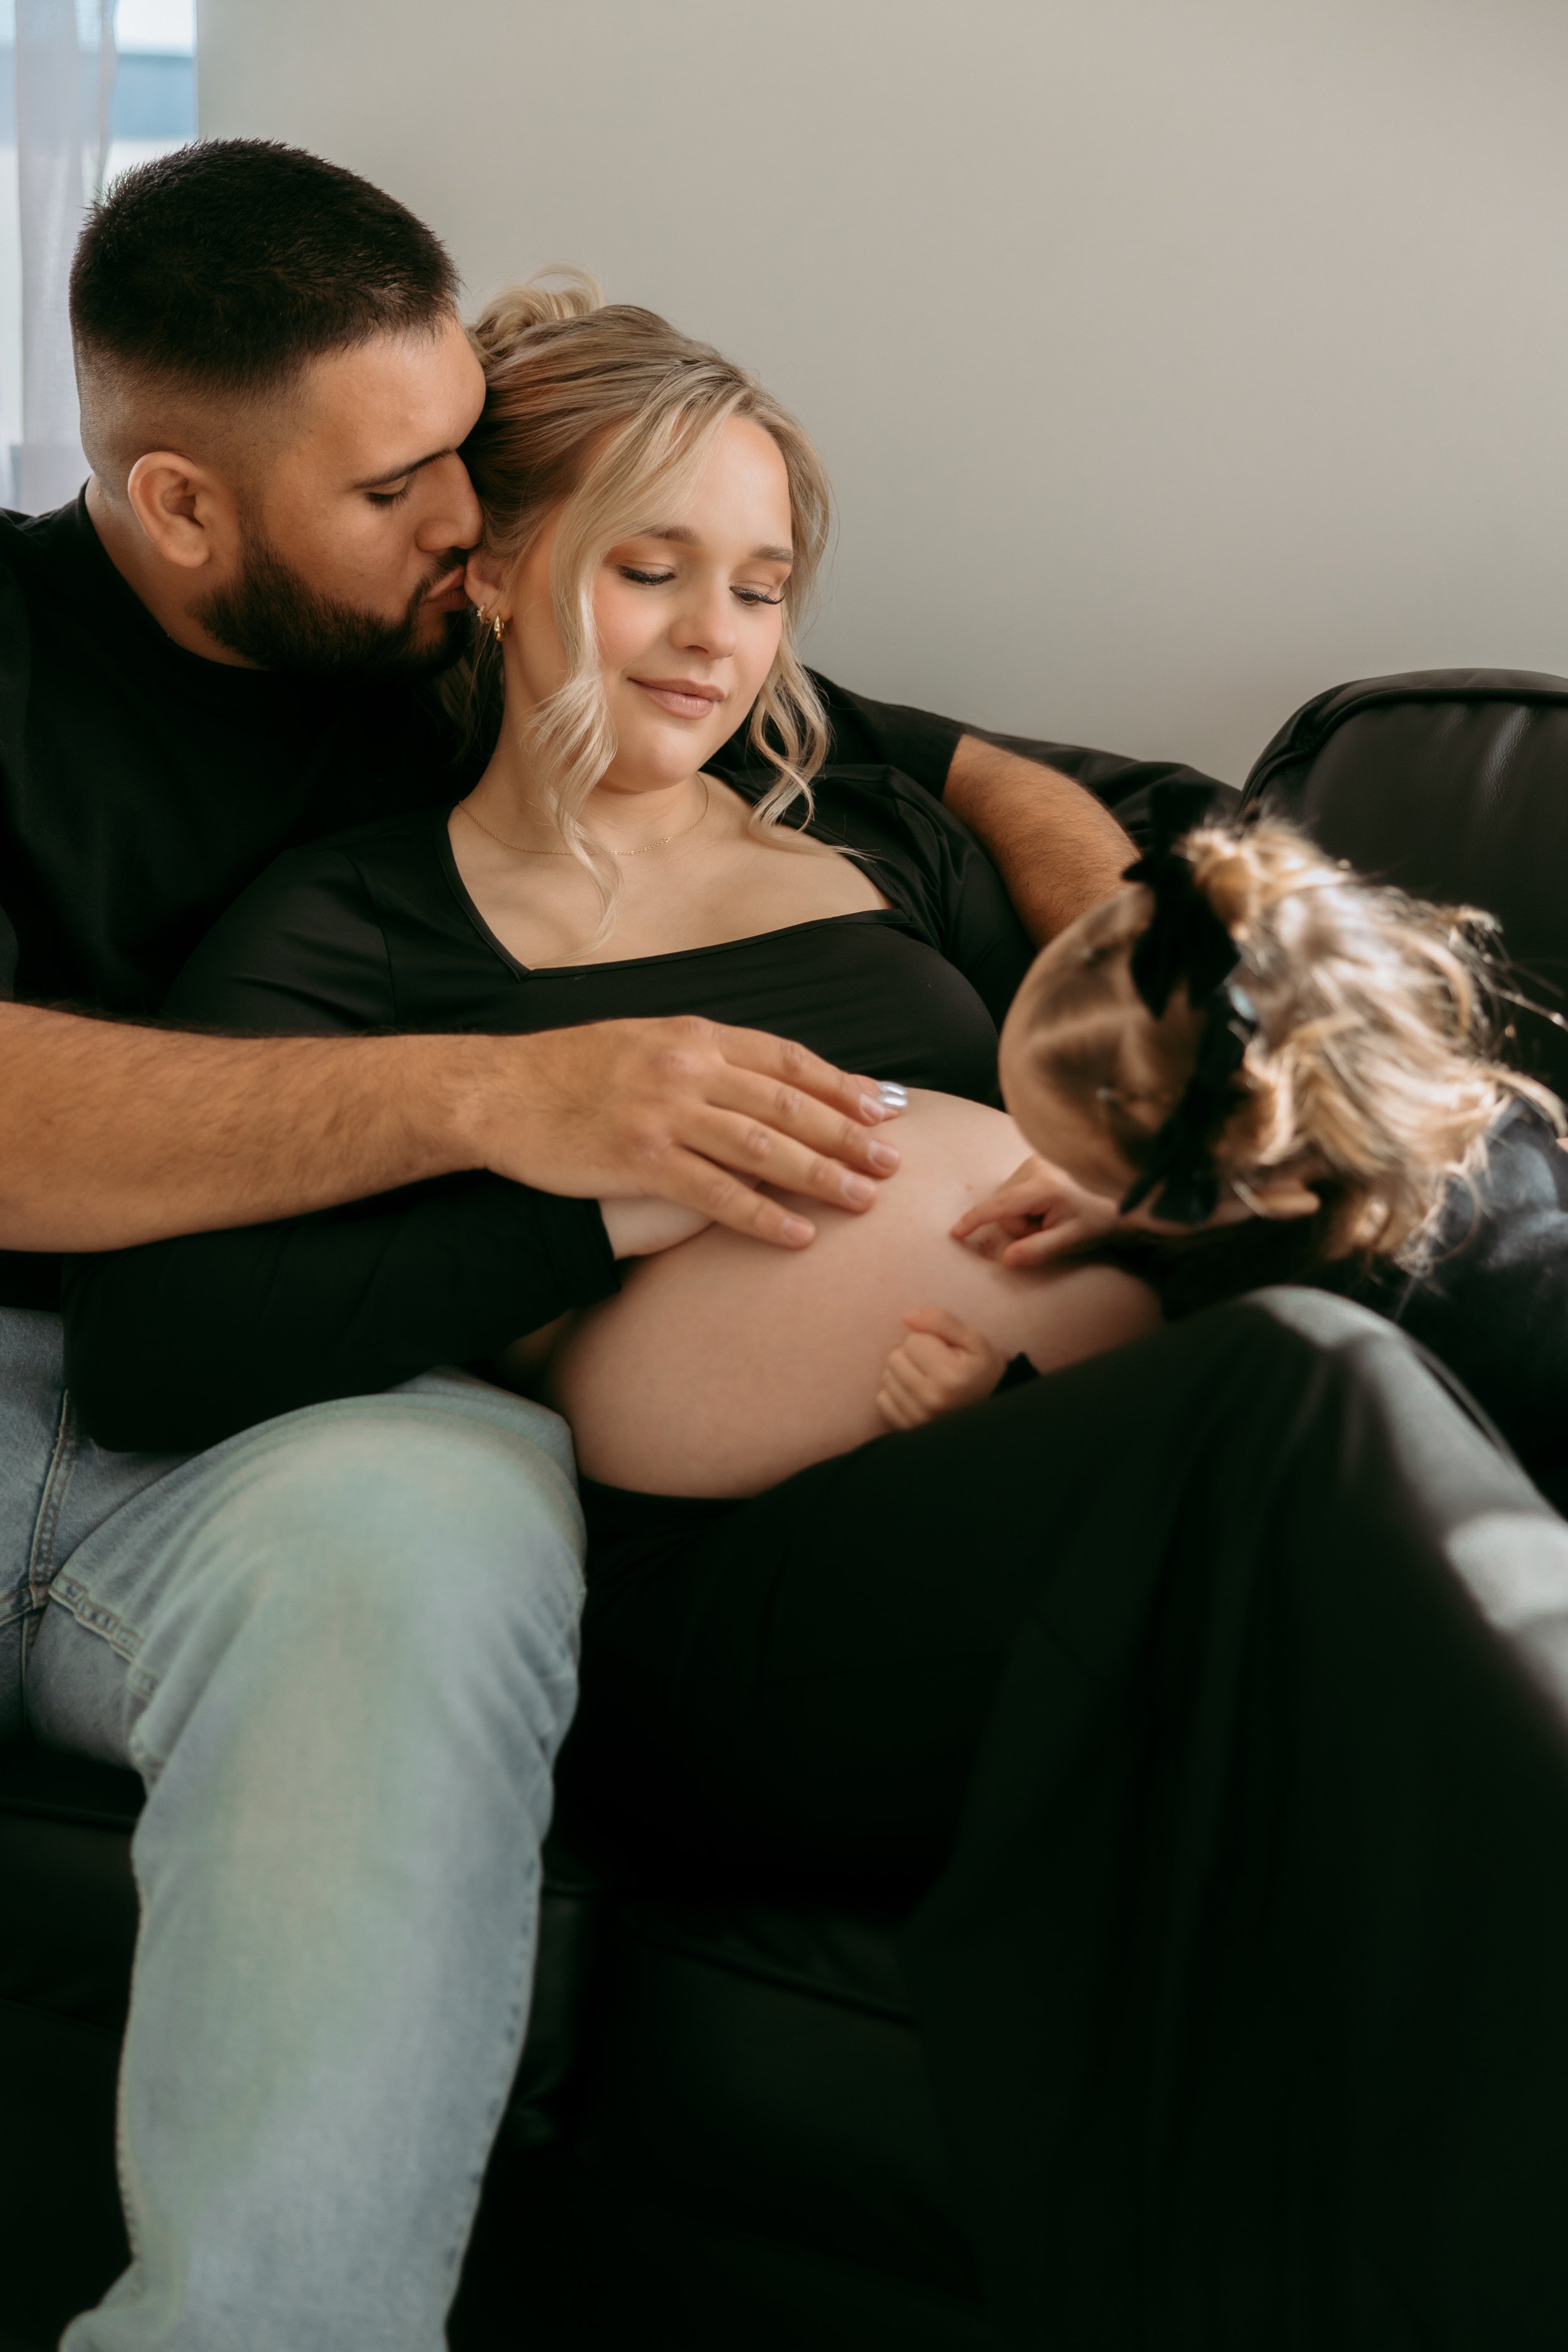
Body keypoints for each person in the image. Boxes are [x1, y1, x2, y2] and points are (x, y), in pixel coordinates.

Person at [72, 278, 1568, 2343]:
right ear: (496, 576)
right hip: (732, 1617)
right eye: (650, 570)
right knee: (1304, 1393)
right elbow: (163, 1353)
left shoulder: (867, 832)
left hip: (1034, 1484)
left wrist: (1146, 1215)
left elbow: (1103, 956)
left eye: (763, 588)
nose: (713, 635)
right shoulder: (354, 920)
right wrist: (595, 1194)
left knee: (1397, 1226)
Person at [0, 144, 1187, 2352]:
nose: (455, 525)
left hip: (874, 1441)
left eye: (468, 464)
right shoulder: (303, 860)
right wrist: (541, 1135)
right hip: (173, 1421)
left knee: (1305, 1361)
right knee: (1290, 1418)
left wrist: (1085, 890)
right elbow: (134, 1271)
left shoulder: (723, 759)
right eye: (407, 496)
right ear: (184, 507)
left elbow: (825, 703)